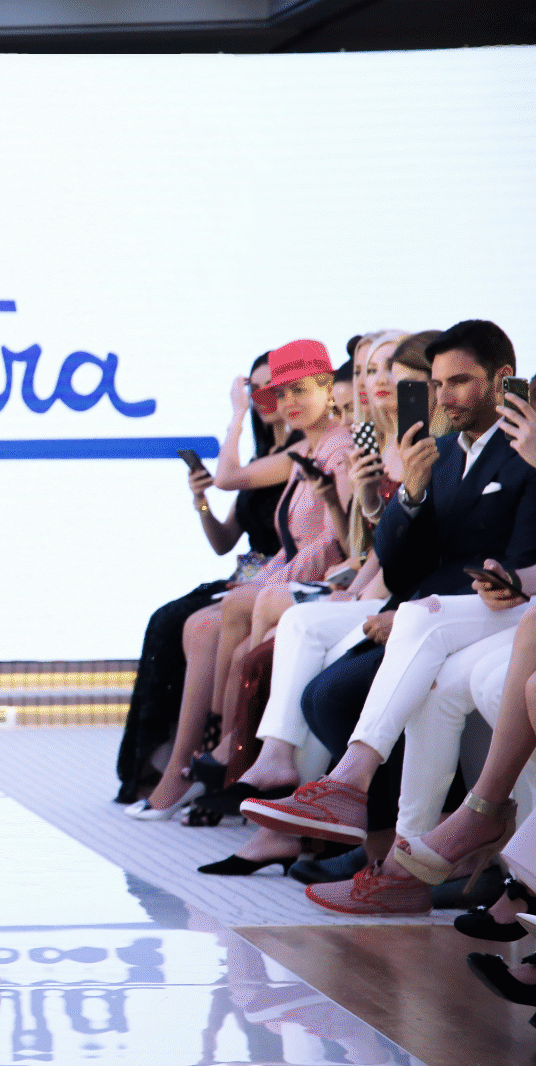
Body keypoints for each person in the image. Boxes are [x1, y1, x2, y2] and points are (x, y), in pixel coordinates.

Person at [241, 321, 536, 886]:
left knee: (371, 672)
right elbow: (399, 563)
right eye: (437, 384)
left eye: (458, 382)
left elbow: (521, 560)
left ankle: (365, 805)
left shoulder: (524, 449)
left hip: (486, 611)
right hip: (446, 610)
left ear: (503, 379)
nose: (444, 397)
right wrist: (412, 494)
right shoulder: (440, 452)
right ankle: (403, 859)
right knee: (370, 686)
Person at [128, 340, 353, 819]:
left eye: (297, 390)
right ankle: (203, 755)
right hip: (270, 573)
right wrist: (203, 503)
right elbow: (250, 537)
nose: (285, 402)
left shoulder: (333, 448)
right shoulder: (301, 449)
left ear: (329, 388)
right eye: (276, 393)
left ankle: (218, 751)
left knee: (216, 628)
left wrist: (267, 582)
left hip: (315, 581)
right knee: (184, 622)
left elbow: (335, 541)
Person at [114, 354, 299, 803]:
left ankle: (196, 757)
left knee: (191, 625)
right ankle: (154, 760)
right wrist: (201, 502)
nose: (266, 398)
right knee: (165, 621)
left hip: (276, 576)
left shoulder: (297, 454)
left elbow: (229, 477)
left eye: (276, 388)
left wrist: (236, 413)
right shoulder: (263, 457)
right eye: (255, 390)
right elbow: (224, 540)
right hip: (245, 574)